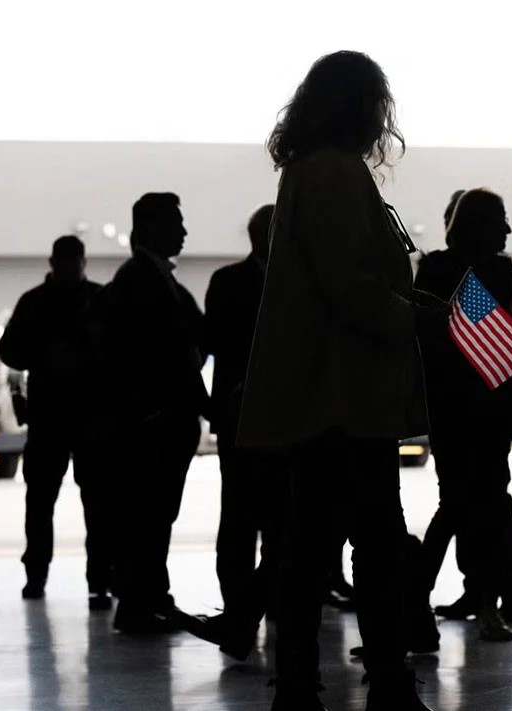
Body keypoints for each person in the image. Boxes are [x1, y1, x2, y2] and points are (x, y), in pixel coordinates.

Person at [237, 50, 434, 711]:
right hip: (346, 396)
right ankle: (385, 681)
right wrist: (413, 316)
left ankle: (299, 683)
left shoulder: (306, 172)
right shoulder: (337, 174)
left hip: (323, 395)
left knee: (311, 541)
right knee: (373, 544)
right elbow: (352, 286)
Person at [414, 188, 512, 643]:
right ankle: (481, 603)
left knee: (463, 506)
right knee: (476, 506)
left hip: (467, 409)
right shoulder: (492, 275)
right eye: (500, 220)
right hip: (469, 408)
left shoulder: (441, 271)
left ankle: (420, 603)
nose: (508, 230)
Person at [88, 193, 207, 634]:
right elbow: (168, 355)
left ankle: (147, 599)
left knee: (149, 517)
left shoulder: (144, 278)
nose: (184, 231)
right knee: (149, 517)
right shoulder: (143, 281)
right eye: (176, 222)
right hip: (154, 424)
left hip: (153, 421)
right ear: (152, 227)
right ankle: (142, 603)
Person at [185, 204, 287, 660]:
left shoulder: (228, 282)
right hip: (251, 416)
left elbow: (208, 343)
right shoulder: (290, 284)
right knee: (249, 519)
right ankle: (244, 609)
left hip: (249, 416)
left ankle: (243, 613)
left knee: (250, 519)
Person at [0, 235, 112, 609]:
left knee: (43, 502)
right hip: (88, 417)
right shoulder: (98, 299)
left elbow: (10, 351)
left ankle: (39, 575)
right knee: (94, 503)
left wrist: (43, 355)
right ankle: (99, 580)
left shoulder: (34, 303)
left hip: (50, 416)